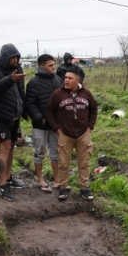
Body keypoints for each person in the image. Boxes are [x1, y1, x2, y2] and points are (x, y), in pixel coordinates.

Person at [47, 68, 98, 202]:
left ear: (78, 80)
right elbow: (49, 111)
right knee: (63, 162)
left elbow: (94, 108)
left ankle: (85, 188)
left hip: (83, 133)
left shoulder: (86, 94)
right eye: (65, 78)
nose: (66, 80)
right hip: (65, 133)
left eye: (70, 78)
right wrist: (56, 128)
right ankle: (63, 187)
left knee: (84, 162)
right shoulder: (58, 94)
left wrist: (90, 126)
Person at [0, 43, 26, 200]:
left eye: (17, 57)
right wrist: (10, 79)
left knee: (11, 147)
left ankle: (8, 177)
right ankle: (2, 184)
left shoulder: (19, 69)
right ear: (5, 57)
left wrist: (25, 110)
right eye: (12, 58)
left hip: (15, 116)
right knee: (4, 148)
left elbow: (21, 91)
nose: (15, 61)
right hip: (0, 116)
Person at [25, 53, 61, 192]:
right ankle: (40, 179)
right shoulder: (33, 82)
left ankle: (57, 180)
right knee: (39, 152)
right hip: (39, 125)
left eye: (54, 64)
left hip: (55, 125)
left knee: (55, 153)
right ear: (42, 66)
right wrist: (39, 117)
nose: (54, 67)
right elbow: (30, 103)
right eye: (50, 65)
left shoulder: (58, 80)